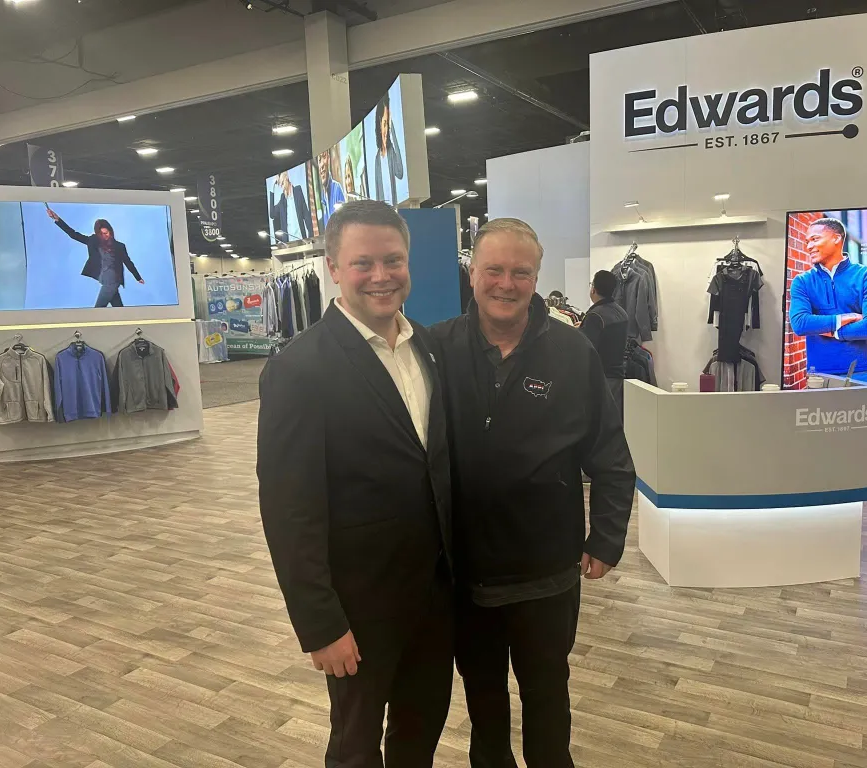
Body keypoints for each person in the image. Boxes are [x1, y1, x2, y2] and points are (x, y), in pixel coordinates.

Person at [430, 218, 636, 768]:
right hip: (467, 573)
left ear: (536, 277)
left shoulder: (573, 353)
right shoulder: (436, 349)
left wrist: (607, 536)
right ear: (472, 274)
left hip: (547, 571)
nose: (506, 283)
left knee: (547, 697)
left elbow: (612, 456)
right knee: (484, 704)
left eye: (520, 272)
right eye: (493, 270)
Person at [257, 200, 454, 767]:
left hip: (434, 600)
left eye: (393, 260)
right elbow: (288, 509)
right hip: (357, 611)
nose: (381, 276)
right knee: (355, 746)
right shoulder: (299, 369)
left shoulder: (428, 350)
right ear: (334, 268)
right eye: (363, 263)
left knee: (420, 733)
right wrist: (320, 624)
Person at [788, 217, 867, 379]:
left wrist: (833, 332)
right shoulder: (802, 281)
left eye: (815, 239)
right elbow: (800, 324)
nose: (809, 246)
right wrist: (845, 318)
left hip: (862, 372)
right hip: (817, 374)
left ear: (836, 238)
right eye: (807, 241)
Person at [46, 208, 144, 308]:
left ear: (110, 232)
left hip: (112, 281)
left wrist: (138, 277)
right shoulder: (93, 241)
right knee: (118, 308)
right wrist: (58, 219)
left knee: (98, 311)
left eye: (106, 233)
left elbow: (128, 262)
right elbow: (74, 235)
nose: (105, 236)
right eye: (102, 234)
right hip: (104, 280)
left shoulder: (119, 246)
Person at [579, 270, 629, 419]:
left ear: (593, 288)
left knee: (599, 420)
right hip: (618, 375)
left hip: (601, 378)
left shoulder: (595, 315)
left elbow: (587, 349)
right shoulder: (621, 311)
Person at [373, 92, 405, 205]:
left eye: (388, 124)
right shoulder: (377, 159)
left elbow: (399, 173)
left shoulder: (391, 152)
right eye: (384, 123)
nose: (386, 129)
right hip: (383, 214)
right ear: (379, 125)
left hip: (394, 211)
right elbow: (377, 195)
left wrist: (393, 133)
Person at [270, 170, 313, 242]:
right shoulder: (282, 199)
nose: (282, 187)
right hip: (289, 243)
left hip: (301, 240)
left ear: (287, 178)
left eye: (283, 183)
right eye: (280, 185)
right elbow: (272, 214)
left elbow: (306, 215)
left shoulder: (298, 191)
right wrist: (272, 188)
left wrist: (311, 237)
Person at [315, 147, 346, 231]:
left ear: (328, 158)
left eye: (324, 157)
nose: (321, 165)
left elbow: (343, 225)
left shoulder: (337, 188)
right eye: (319, 160)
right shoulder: (323, 198)